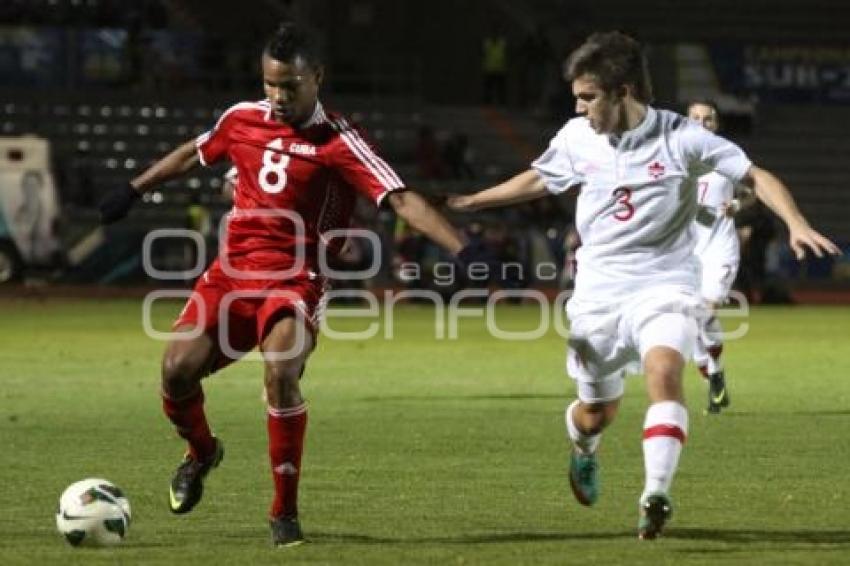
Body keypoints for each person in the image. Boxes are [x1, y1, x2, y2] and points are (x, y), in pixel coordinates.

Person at [449, 31, 840, 539]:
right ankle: (584, 449)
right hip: (597, 293)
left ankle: (655, 493)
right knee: (596, 412)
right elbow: (539, 178)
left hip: (666, 283)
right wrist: (473, 201)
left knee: (665, 373)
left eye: (588, 97)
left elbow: (756, 175)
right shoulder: (576, 137)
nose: (580, 107)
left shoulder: (682, 137)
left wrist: (796, 222)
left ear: (624, 92)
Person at [99, 23, 470, 547]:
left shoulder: (342, 141)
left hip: (296, 279)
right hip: (231, 274)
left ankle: (283, 513)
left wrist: (465, 249)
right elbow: (191, 152)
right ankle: (203, 452)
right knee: (176, 369)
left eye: (290, 86)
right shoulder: (241, 118)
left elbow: (401, 199)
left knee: (281, 371)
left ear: (317, 77)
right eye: (270, 84)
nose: (277, 97)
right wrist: (131, 190)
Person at [686, 100, 757, 414]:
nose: (703, 123)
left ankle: (713, 372)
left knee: (705, 310)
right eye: (696, 118)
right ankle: (714, 373)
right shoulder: (675, 157)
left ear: (716, 124)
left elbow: (753, 190)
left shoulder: (728, 156)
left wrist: (738, 206)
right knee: (687, 320)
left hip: (719, 249)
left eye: (709, 118)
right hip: (684, 252)